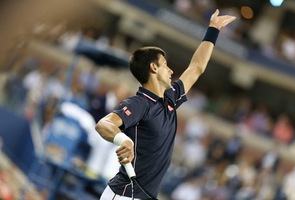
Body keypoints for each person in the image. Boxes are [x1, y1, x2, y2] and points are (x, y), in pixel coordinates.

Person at [95, 9, 236, 199]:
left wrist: (213, 29)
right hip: (123, 195)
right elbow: (104, 124)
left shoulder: (170, 98)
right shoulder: (139, 103)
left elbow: (197, 67)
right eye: (165, 65)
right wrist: (124, 140)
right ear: (153, 68)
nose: (170, 70)